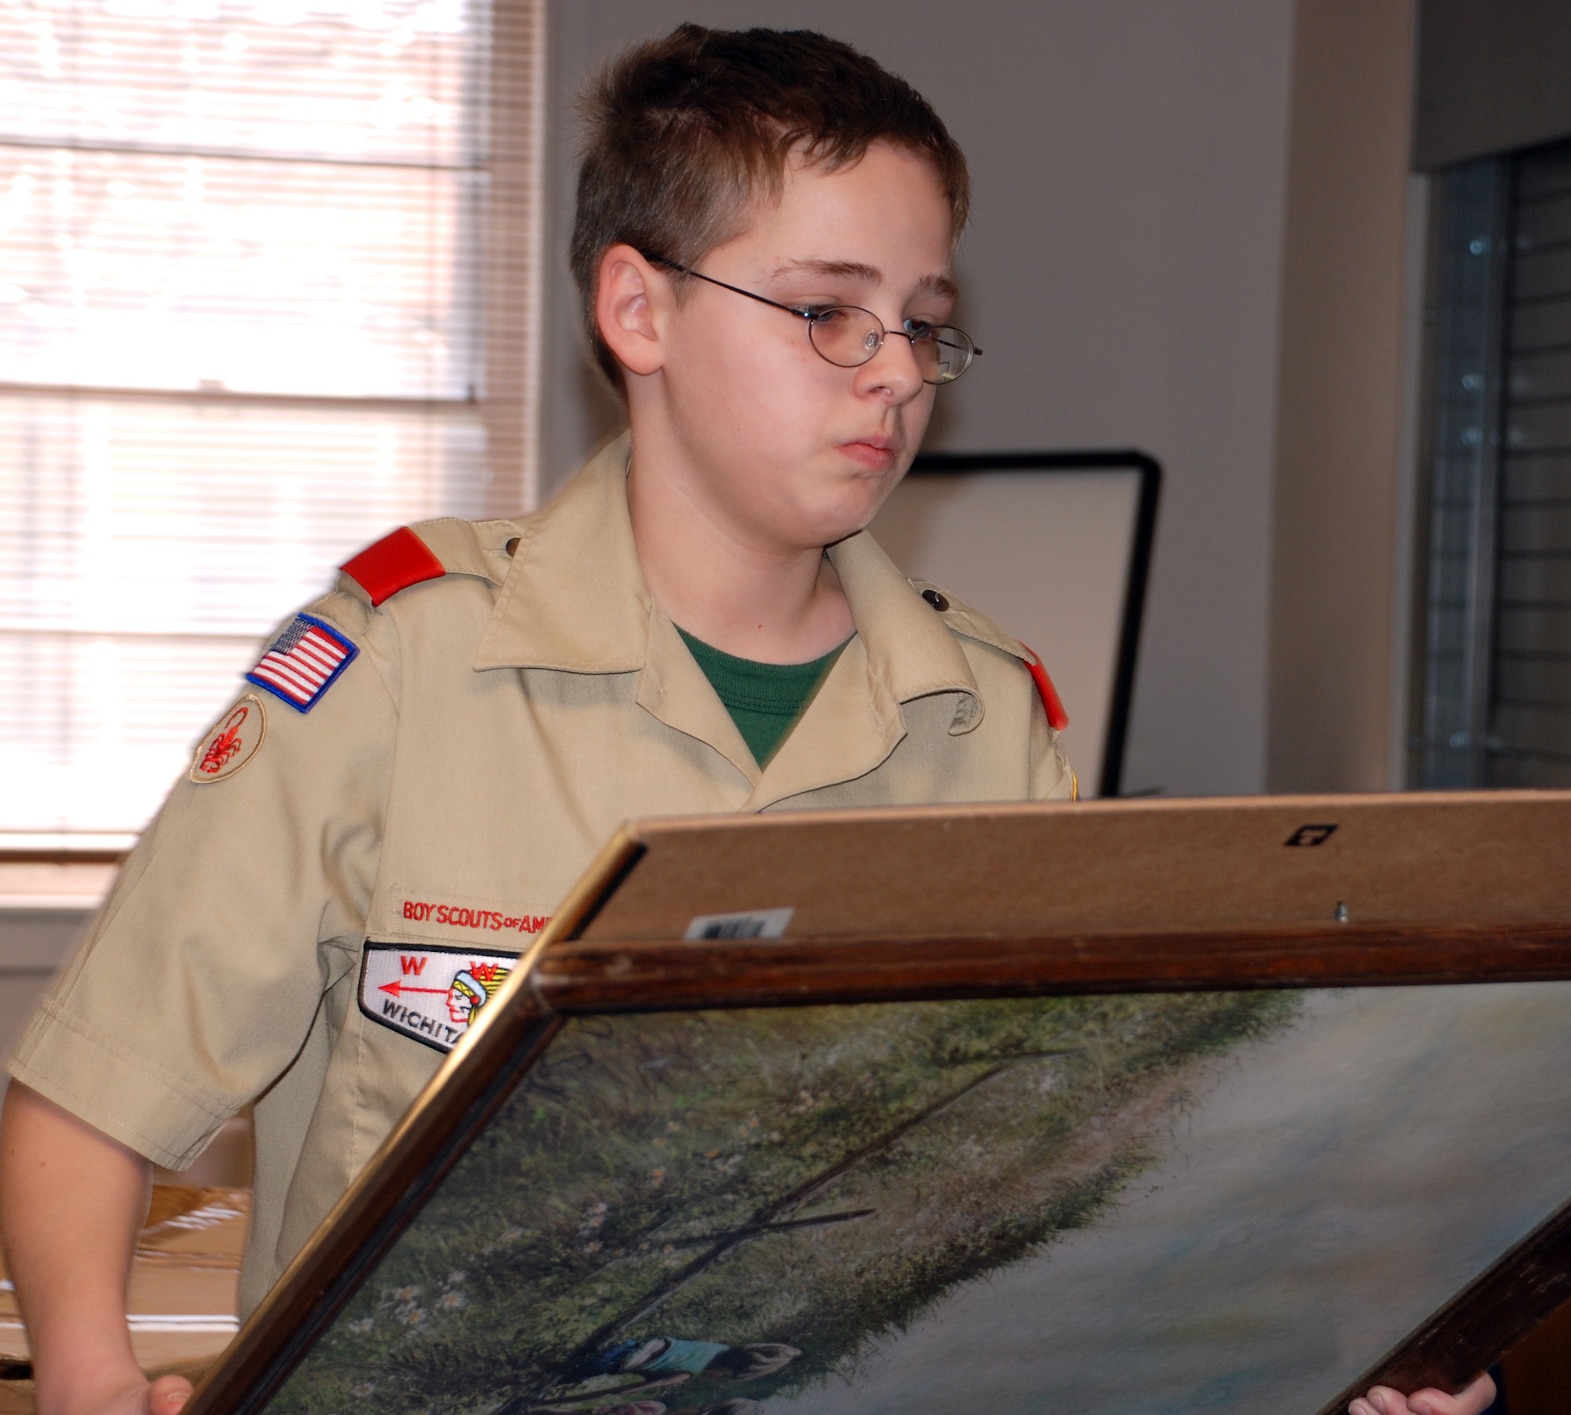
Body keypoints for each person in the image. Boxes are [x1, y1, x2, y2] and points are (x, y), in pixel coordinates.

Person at [0, 26, 1490, 1415]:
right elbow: (93, 1092)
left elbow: (1026, 1198)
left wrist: (1319, 1346)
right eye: (828, 312)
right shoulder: (405, 660)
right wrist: (84, 1366)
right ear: (638, 308)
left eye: (923, 322)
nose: (897, 372)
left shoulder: (984, 719)